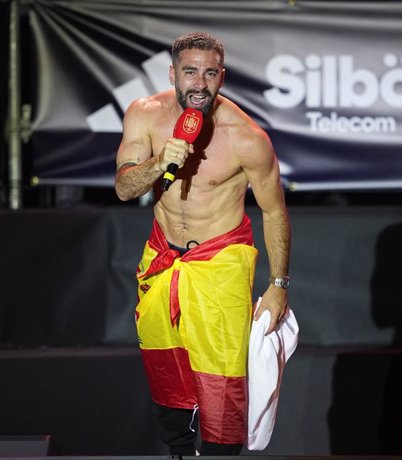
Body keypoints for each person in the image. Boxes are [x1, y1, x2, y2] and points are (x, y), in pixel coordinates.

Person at [114, 32, 291, 456]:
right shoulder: (144, 114)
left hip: (220, 261)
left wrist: (278, 284)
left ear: (222, 77)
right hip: (162, 258)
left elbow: (274, 211)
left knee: (222, 384)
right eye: (190, 72)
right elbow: (123, 188)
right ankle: (178, 450)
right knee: (165, 370)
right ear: (173, 73)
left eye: (210, 73)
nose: (199, 83)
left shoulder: (247, 137)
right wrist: (161, 163)